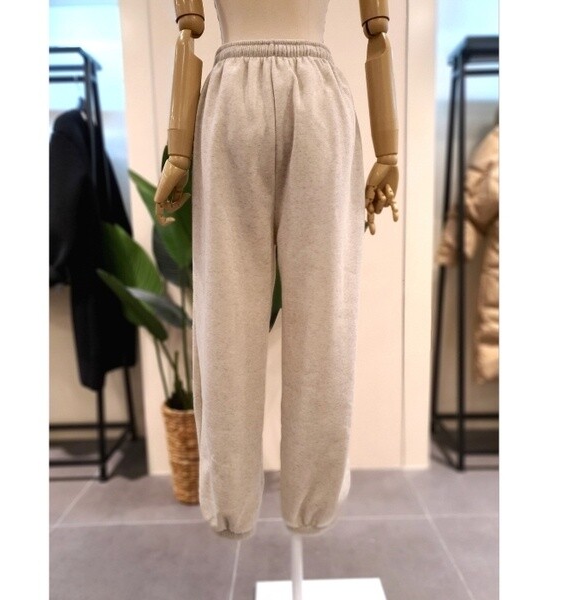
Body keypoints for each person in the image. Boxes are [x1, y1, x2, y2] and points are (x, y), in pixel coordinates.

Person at [154, 0, 400, 540]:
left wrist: (180, 153)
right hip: (317, 101)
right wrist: (389, 153)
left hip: (230, 102)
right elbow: (377, 31)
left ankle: (233, 505)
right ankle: (305, 503)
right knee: (322, 319)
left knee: (229, 319)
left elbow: (188, 30)